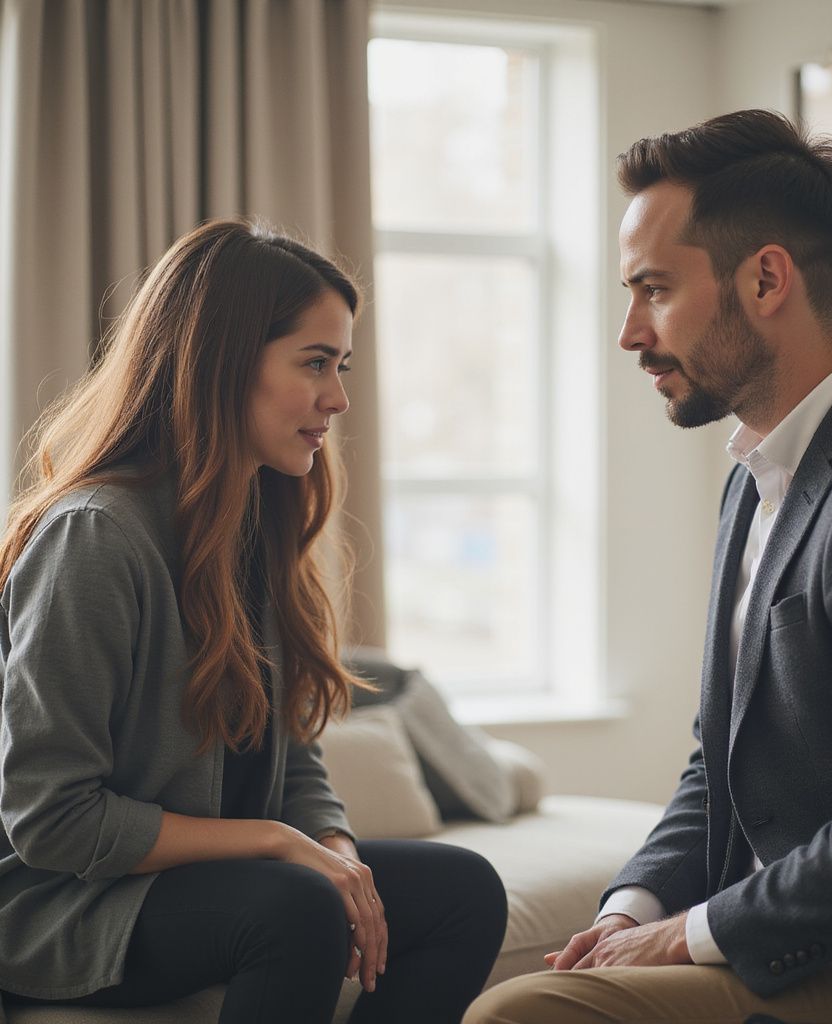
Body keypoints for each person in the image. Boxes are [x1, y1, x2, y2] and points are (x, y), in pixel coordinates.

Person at [465, 109, 832, 1023]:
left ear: (766, 278)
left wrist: (680, 937)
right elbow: (714, 762)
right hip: (814, 947)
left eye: (653, 289)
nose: (629, 333)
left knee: (520, 1017)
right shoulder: (758, 475)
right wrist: (630, 910)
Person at [0, 219, 507, 1024]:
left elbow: (294, 764)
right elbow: (51, 820)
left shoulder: (257, 531)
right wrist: (278, 845)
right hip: (71, 909)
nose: (338, 399)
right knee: (294, 903)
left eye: (340, 367)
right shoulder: (94, 537)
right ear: (222, 363)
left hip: (219, 885)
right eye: (315, 364)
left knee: (463, 891)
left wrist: (335, 850)